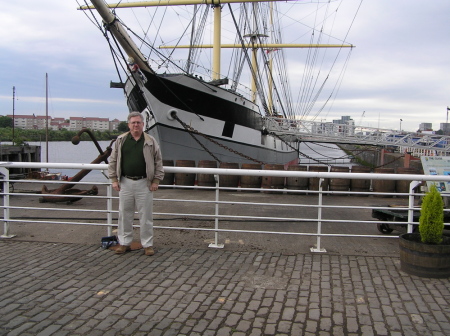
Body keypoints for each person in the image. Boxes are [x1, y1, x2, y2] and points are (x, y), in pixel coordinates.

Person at [108, 111, 164, 256]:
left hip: (144, 183)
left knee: (146, 216)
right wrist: (114, 179)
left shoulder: (150, 141)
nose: (136, 125)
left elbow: (158, 162)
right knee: (124, 214)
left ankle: (147, 244)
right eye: (133, 123)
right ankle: (124, 243)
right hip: (125, 182)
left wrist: (156, 180)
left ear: (143, 124)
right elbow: (113, 161)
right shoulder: (121, 140)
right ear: (129, 124)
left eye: (138, 122)